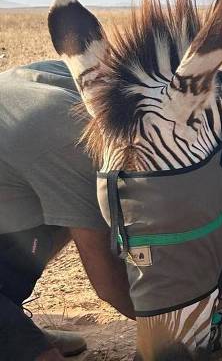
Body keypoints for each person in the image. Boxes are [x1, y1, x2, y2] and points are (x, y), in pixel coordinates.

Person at [0, 60, 135, 361]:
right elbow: (109, 285)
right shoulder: (74, 142)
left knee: (57, 218)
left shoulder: (97, 88)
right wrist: (171, 325)